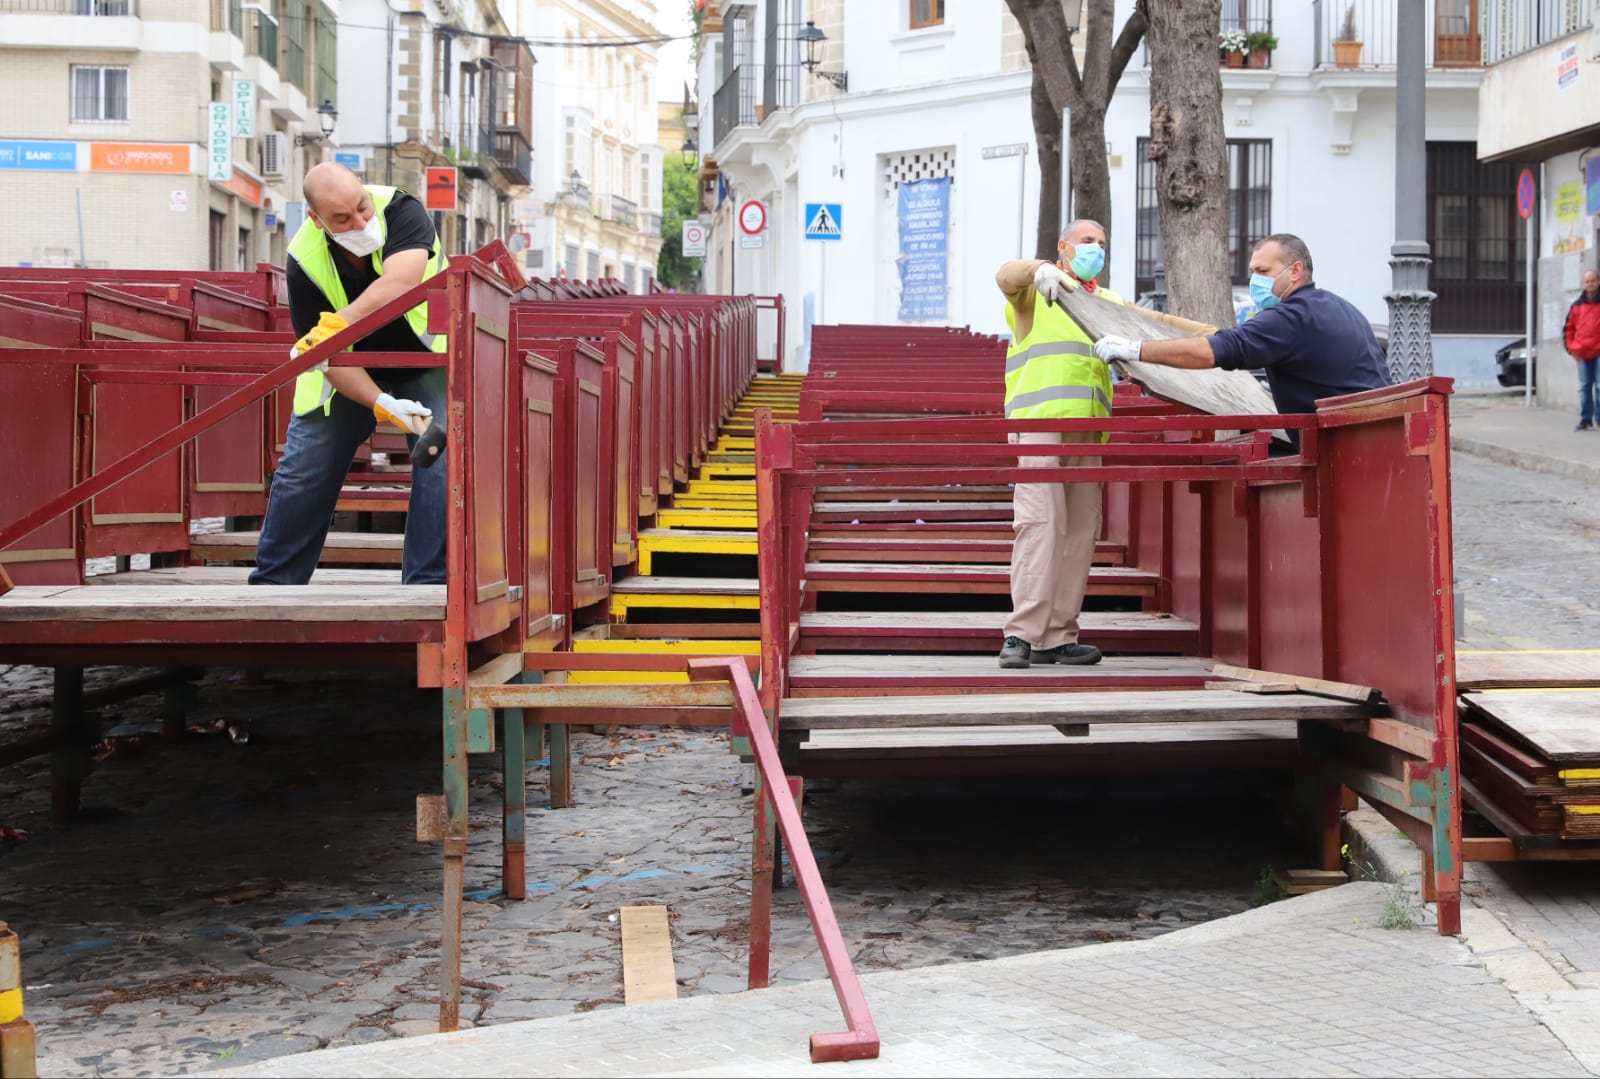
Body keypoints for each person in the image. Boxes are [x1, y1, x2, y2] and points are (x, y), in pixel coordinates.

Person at [250, 163, 449, 585]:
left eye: (361, 207)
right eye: (342, 219)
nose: (360, 221)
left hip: (426, 357)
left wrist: (340, 322)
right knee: (305, 465)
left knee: (441, 455)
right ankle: (273, 588)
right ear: (316, 220)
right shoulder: (303, 259)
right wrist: (383, 404)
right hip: (348, 366)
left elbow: (403, 281)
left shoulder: (401, 209)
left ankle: (428, 588)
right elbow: (325, 358)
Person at [1092, 233, 1390, 449]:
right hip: (1378, 436)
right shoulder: (1342, 307)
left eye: (1263, 272)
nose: (1254, 281)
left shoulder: (1289, 317)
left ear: (1295, 271)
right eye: (1252, 272)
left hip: (1344, 448)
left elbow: (1218, 350)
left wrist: (1137, 350)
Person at [994, 219, 1126, 670]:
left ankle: (1058, 635)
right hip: (1041, 427)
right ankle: (1021, 635)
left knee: (1079, 534)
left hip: (1088, 429)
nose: (1097, 249)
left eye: (1103, 244)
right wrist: (1038, 270)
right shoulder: (1037, 292)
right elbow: (1004, 275)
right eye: (1088, 242)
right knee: (1040, 525)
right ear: (1063, 246)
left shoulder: (1106, 303)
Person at [1564, 269, 1600, 431]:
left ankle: (1599, 418)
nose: (1590, 284)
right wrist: (1572, 350)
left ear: (1598, 282)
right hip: (1581, 353)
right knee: (1585, 386)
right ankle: (1586, 419)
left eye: (1593, 281)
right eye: (1587, 281)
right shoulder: (1576, 306)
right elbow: (1568, 329)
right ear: (1583, 284)